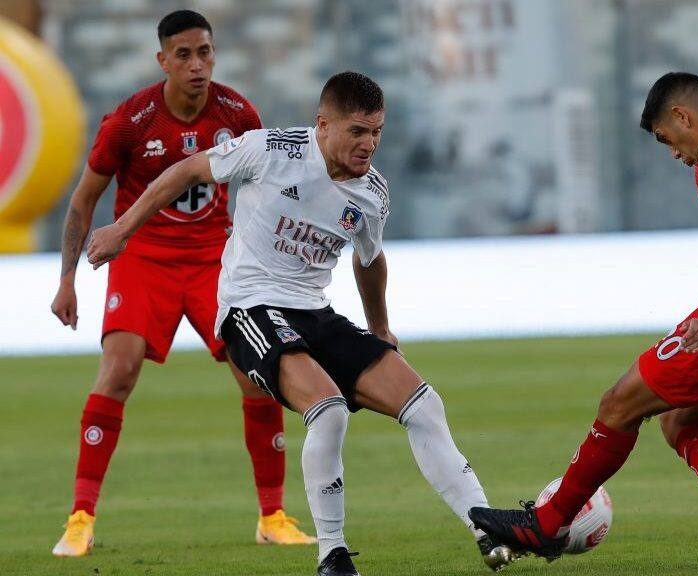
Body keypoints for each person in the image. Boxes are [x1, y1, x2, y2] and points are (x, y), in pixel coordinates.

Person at [86, 70, 514, 575]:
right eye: (357, 132)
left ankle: (485, 527)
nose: (369, 144)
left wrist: (380, 328)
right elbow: (186, 172)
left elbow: (369, 259)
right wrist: (122, 229)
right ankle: (331, 553)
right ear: (323, 125)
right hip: (250, 306)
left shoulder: (372, 192)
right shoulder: (271, 150)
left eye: (377, 132)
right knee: (328, 409)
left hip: (314, 311)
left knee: (424, 405)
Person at [468, 72, 698, 567]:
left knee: (620, 403)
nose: (674, 154)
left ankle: (547, 523)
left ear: (682, 116)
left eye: (667, 140)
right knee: (677, 418)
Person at [50, 9, 314, 557]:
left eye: (205, 52)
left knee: (256, 375)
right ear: (163, 60)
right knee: (119, 368)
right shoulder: (131, 120)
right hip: (143, 257)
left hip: (215, 261)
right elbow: (82, 201)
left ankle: (273, 514)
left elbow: (267, 187)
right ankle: (80, 517)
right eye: (185, 55)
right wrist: (67, 281)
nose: (197, 65)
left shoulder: (238, 112)